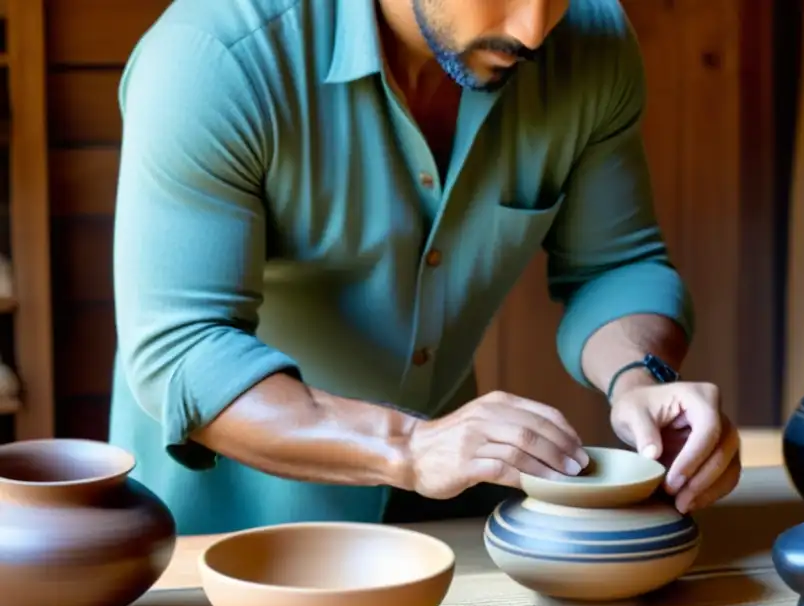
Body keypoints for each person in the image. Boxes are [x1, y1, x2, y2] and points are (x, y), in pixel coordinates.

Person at [110, 0, 742, 535]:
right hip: (224, 539)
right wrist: (409, 446)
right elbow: (183, 348)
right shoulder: (214, 59)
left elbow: (616, 265)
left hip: (447, 525)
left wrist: (643, 381)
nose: (531, 31)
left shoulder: (590, 42)